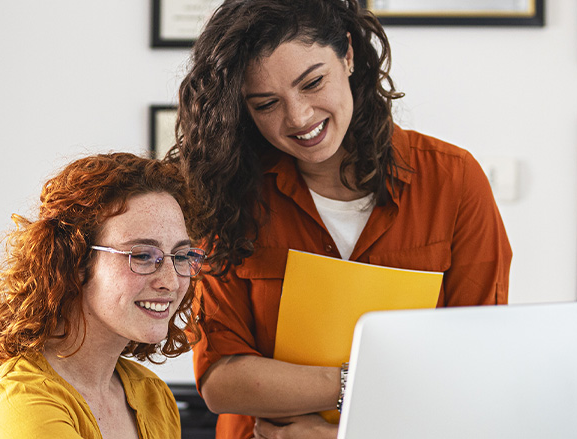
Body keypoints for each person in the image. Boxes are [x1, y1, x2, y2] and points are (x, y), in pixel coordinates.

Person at [167, 0, 512, 438]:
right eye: (266, 103)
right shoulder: (229, 195)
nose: (299, 118)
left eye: (312, 83)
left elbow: (476, 365)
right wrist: (350, 384)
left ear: (347, 55)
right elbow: (222, 382)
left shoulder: (453, 179)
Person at [0, 153, 206, 439]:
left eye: (181, 256)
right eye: (143, 255)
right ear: (74, 260)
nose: (171, 281)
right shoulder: (18, 406)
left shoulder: (152, 395)